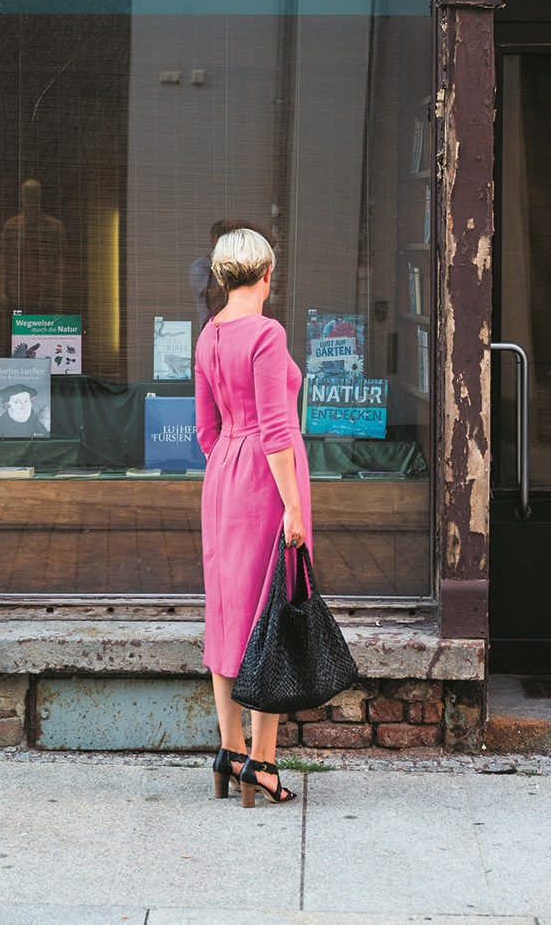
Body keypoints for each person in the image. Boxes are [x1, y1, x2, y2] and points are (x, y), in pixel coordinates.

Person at [193, 227, 312, 807]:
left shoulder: (208, 334)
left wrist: (228, 470)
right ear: (267, 274)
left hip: (222, 481)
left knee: (227, 612)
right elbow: (278, 430)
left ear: (221, 278)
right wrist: (291, 504)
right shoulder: (267, 334)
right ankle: (261, 763)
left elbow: (205, 432)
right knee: (271, 611)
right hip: (266, 483)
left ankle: (229, 749)